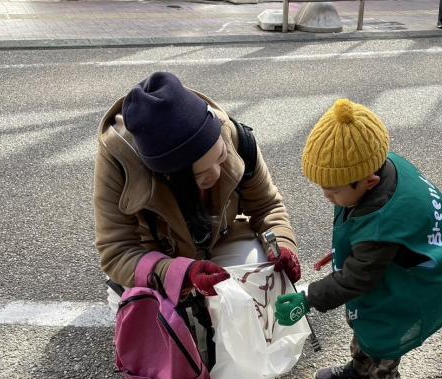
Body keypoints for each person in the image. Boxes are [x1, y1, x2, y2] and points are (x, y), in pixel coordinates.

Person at [275, 99, 442, 379]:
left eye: (333, 192)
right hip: (399, 257)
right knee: (366, 318)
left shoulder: (382, 226)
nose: (327, 197)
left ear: (369, 182)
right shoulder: (375, 162)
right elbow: (361, 259)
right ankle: (360, 368)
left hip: (421, 278)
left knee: (384, 333)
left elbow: (357, 279)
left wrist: (308, 298)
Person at [93, 71, 300, 315]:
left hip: (220, 238)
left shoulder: (233, 135)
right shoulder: (118, 165)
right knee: (139, 311)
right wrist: (180, 273)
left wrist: (283, 244)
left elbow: (267, 206)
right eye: (200, 176)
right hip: (156, 252)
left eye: (220, 157)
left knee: (263, 281)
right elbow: (117, 251)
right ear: (169, 177)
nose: (215, 174)